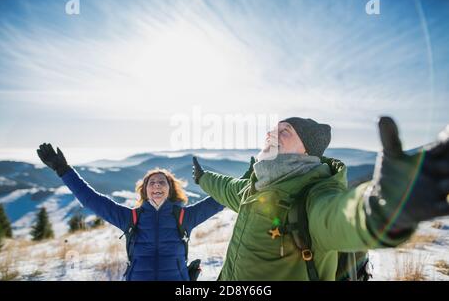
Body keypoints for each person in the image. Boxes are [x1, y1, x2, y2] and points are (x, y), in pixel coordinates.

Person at [192, 116, 449, 280]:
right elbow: (225, 187)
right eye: (272, 129)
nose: (271, 134)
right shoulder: (254, 187)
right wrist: (202, 178)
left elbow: (338, 215)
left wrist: (385, 206)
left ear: (306, 150)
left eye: (285, 131)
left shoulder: (313, 195)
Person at [37, 143, 224, 281]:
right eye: (151, 182)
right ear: (145, 191)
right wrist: (63, 170)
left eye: (162, 182)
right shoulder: (130, 218)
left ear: (170, 189)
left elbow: (220, 200)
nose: (156, 185)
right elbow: (90, 199)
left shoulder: (185, 217)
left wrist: (250, 181)